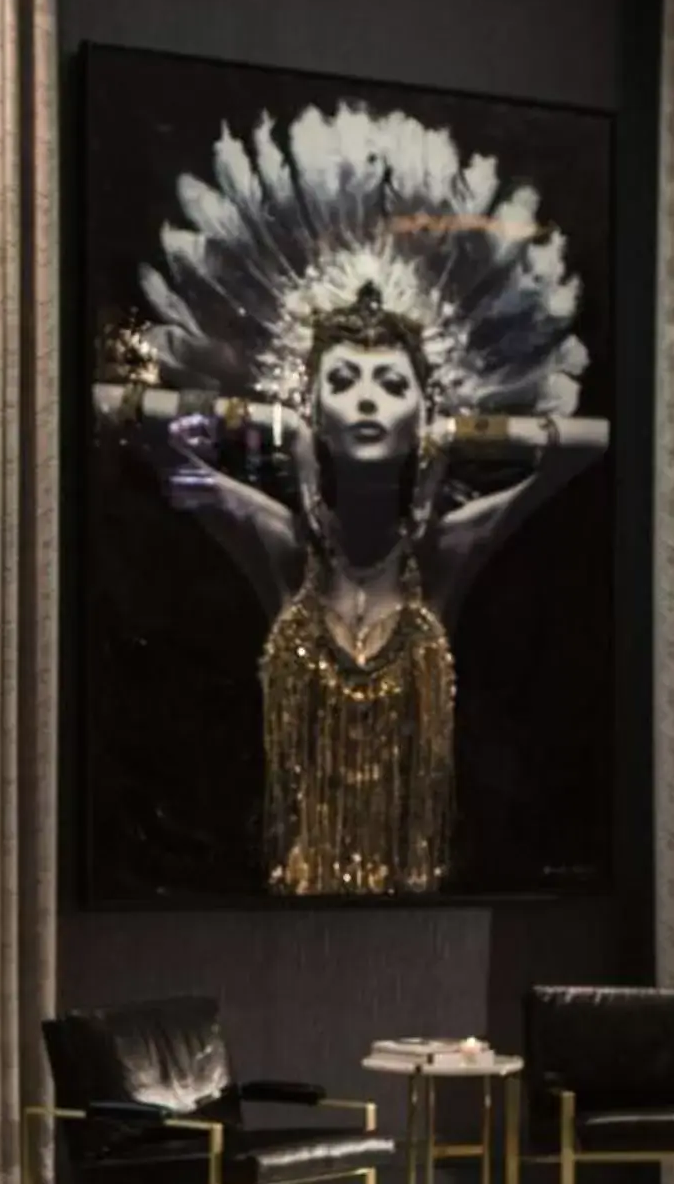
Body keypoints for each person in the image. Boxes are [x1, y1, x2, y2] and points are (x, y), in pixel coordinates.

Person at [132, 283, 603, 896]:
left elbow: (593, 442)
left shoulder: (440, 555)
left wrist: (456, 435)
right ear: (316, 405)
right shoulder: (283, 547)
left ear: (419, 411)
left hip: (422, 902)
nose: (367, 403)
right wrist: (285, 428)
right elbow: (127, 412)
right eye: (345, 381)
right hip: (287, 903)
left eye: (391, 385)